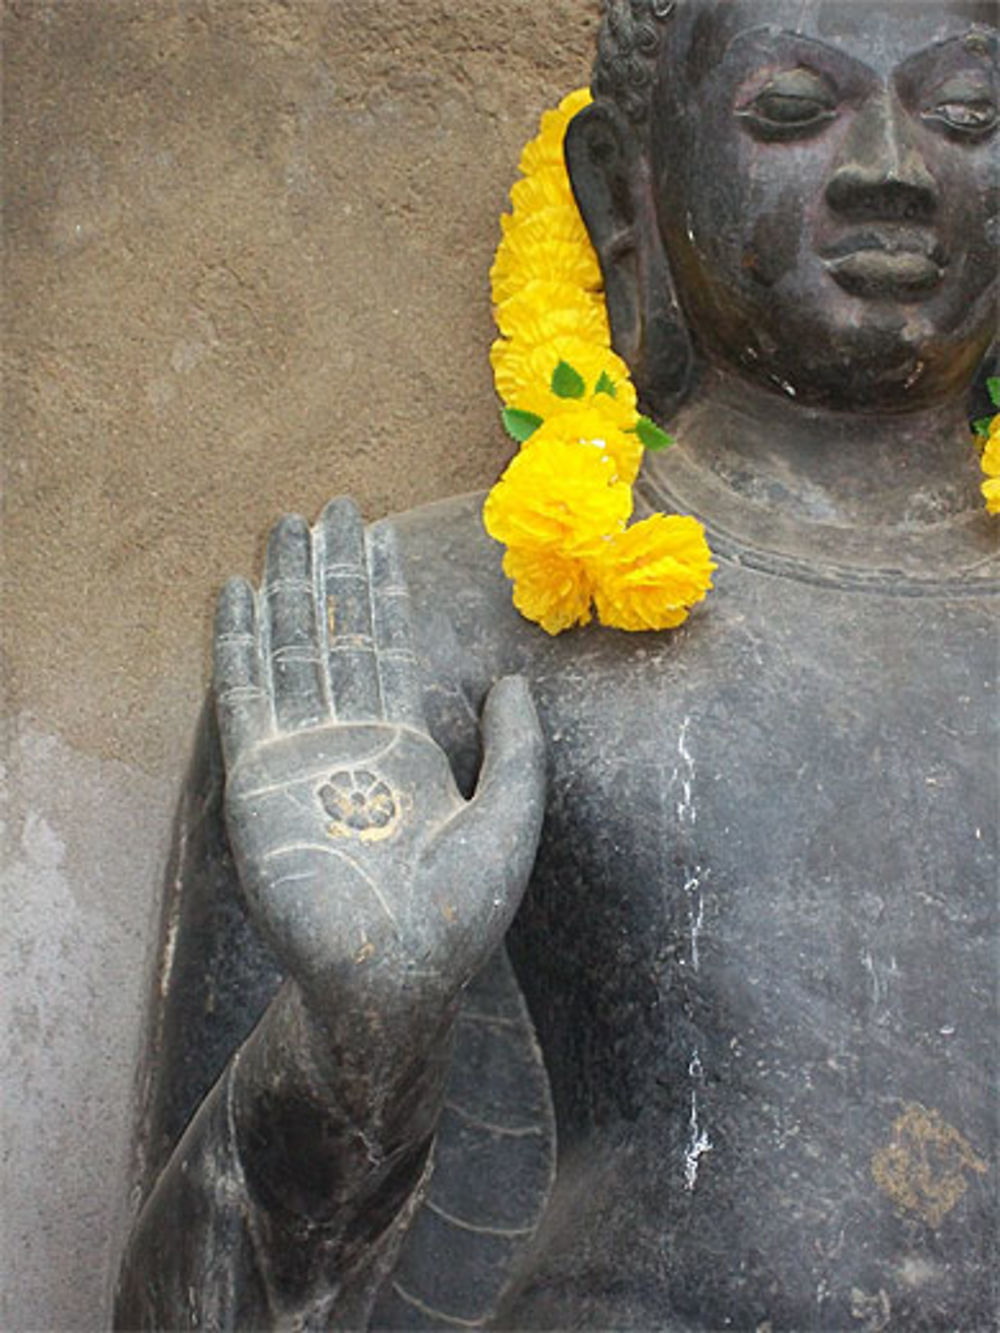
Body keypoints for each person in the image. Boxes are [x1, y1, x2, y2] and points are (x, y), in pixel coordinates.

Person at [115, 2, 998, 1328]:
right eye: (793, 111)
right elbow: (184, 1307)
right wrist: (349, 1049)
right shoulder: (425, 621)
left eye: (969, 114)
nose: (890, 164)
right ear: (625, 188)